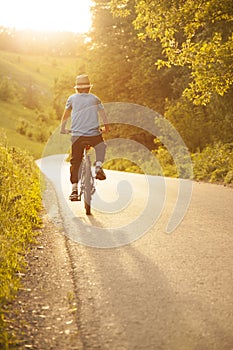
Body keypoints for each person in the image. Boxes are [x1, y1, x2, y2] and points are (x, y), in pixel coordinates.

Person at [60, 74, 109, 201]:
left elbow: (65, 116)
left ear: (77, 88)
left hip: (77, 136)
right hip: (94, 134)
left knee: (75, 161)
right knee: (101, 146)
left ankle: (74, 190)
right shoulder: (95, 99)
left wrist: (62, 129)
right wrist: (106, 128)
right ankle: (98, 166)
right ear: (89, 88)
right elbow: (103, 115)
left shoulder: (71, 99)